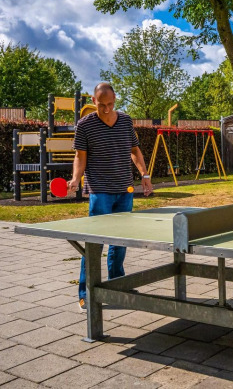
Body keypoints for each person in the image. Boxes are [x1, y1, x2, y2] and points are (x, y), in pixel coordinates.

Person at [68, 82, 153, 312]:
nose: (106, 109)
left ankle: (118, 285)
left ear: (115, 100)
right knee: (95, 243)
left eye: (110, 104)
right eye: (102, 105)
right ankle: (86, 293)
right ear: (93, 101)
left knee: (120, 241)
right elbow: (80, 157)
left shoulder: (125, 120)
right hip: (100, 191)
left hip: (124, 189)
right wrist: (76, 179)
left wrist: (144, 174)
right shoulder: (84, 125)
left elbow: (134, 151)